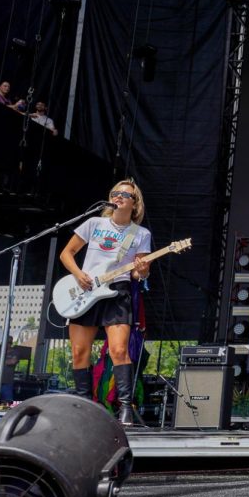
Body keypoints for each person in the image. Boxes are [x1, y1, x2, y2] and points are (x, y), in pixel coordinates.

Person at [59, 180, 152, 427]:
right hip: (86, 289)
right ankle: (83, 406)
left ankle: (125, 408)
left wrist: (142, 271)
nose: (119, 196)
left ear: (134, 203)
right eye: (115, 193)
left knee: (119, 350)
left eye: (125, 194)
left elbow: (137, 274)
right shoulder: (94, 224)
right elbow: (66, 253)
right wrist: (79, 275)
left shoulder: (140, 234)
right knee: (79, 353)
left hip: (117, 293)